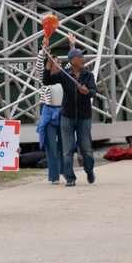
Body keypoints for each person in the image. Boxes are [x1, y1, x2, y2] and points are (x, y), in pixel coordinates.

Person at [43, 33, 97, 186]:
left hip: (84, 117)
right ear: (73, 61)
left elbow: (94, 91)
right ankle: (70, 178)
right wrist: (48, 64)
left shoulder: (88, 75)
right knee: (67, 150)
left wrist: (87, 92)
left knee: (86, 149)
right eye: (80, 57)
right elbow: (46, 81)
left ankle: (89, 170)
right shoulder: (65, 75)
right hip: (66, 117)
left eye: (83, 56)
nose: (83, 59)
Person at [33, 39, 64, 183]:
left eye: (59, 62)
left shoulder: (63, 77)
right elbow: (39, 64)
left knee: (65, 143)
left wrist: (71, 45)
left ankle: (65, 170)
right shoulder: (44, 77)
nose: (58, 65)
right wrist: (44, 49)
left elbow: (71, 63)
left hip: (62, 112)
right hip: (49, 112)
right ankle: (54, 176)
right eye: (55, 62)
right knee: (51, 145)